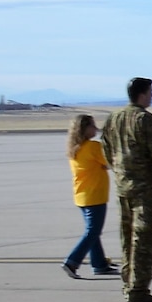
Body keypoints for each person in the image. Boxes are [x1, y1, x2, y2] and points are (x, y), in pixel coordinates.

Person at [102, 76, 152, 302]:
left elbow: (106, 149)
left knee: (127, 237)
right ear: (142, 93)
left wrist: (119, 171)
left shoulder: (113, 118)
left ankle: (128, 284)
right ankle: (138, 288)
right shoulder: (145, 119)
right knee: (143, 238)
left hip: (123, 186)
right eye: (151, 92)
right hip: (144, 188)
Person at [62, 113, 118, 278]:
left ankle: (99, 264)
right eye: (92, 126)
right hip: (94, 196)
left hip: (81, 195)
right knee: (93, 232)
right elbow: (111, 161)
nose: (96, 128)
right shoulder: (93, 147)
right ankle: (72, 262)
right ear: (84, 129)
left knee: (93, 231)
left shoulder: (75, 149)